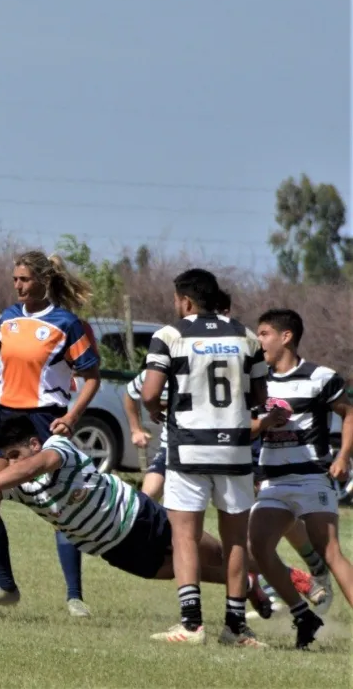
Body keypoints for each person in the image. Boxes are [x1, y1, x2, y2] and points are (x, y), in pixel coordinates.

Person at [0, 414, 314, 632]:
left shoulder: (56, 448)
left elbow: (26, 470)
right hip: (116, 550)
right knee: (207, 574)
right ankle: (247, 587)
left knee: (222, 552)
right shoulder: (13, 483)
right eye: (6, 458)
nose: (11, 463)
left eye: (15, 454)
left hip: (140, 516)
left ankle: (294, 579)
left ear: (32, 444)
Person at [0, 251, 101, 617]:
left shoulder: (67, 323)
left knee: (62, 507)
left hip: (45, 419)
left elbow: (91, 378)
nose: (18, 285)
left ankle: (74, 596)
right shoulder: (7, 320)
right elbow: (5, 371)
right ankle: (6, 586)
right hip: (3, 418)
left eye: (25, 279)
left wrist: (72, 417)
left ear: (44, 280)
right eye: (15, 279)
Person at [142, 269, 265, 647]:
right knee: (236, 541)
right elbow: (259, 396)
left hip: (189, 449)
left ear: (187, 301)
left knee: (185, 538)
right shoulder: (246, 336)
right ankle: (236, 626)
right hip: (235, 449)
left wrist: (153, 410)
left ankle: (192, 624)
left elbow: (149, 393)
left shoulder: (170, 335)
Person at [247, 308, 353, 649]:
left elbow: (349, 415)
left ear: (286, 336)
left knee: (331, 552)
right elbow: (246, 425)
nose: (259, 340)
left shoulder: (320, 376)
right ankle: (302, 615)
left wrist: (343, 457)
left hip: (311, 480)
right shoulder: (257, 380)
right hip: (274, 483)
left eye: (263, 333)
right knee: (258, 549)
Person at [124, 290, 233, 502]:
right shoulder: (171, 361)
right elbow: (133, 393)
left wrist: (158, 404)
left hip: (224, 448)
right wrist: (136, 428)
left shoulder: (236, 357)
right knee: (146, 502)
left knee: (252, 509)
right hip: (175, 448)